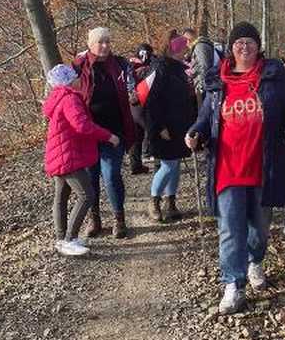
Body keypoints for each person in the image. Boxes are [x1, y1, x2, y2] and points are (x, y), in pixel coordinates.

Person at [186, 21, 285, 315]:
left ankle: (255, 261)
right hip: (227, 168)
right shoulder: (217, 80)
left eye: (250, 43)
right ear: (231, 48)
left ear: (258, 47)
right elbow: (205, 119)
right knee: (230, 229)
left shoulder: (273, 77)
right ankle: (233, 284)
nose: (244, 47)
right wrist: (195, 133)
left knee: (260, 229)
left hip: (262, 166)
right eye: (239, 43)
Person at [43, 64, 119, 257]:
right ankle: (68, 239)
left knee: (61, 197)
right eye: (75, 77)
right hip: (68, 156)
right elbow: (82, 125)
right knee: (87, 195)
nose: (79, 79)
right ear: (69, 81)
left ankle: (62, 239)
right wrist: (108, 136)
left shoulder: (57, 97)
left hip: (60, 154)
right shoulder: (70, 99)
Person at [74, 27, 136, 239]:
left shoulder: (118, 64)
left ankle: (119, 219)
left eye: (108, 42)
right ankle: (95, 219)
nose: (105, 46)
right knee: (91, 179)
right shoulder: (79, 66)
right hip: (88, 133)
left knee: (111, 175)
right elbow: (62, 86)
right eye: (100, 42)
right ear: (90, 44)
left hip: (114, 132)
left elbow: (132, 83)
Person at [145, 33, 197, 222]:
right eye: (184, 48)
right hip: (164, 126)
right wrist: (159, 127)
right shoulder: (161, 68)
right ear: (175, 49)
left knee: (174, 165)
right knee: (169, 165)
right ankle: (154, 200)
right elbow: (152, 101)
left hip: (180, 125)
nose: (186, 51)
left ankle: (171, 202)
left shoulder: (178, 68)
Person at [128, 43, 155, 175]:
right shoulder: (151, 66)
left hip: (131, 103)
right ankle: (157, 161)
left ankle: (136, 164)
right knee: (153, 129)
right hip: (142, 102)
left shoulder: (128, 65)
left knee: (136, 136)